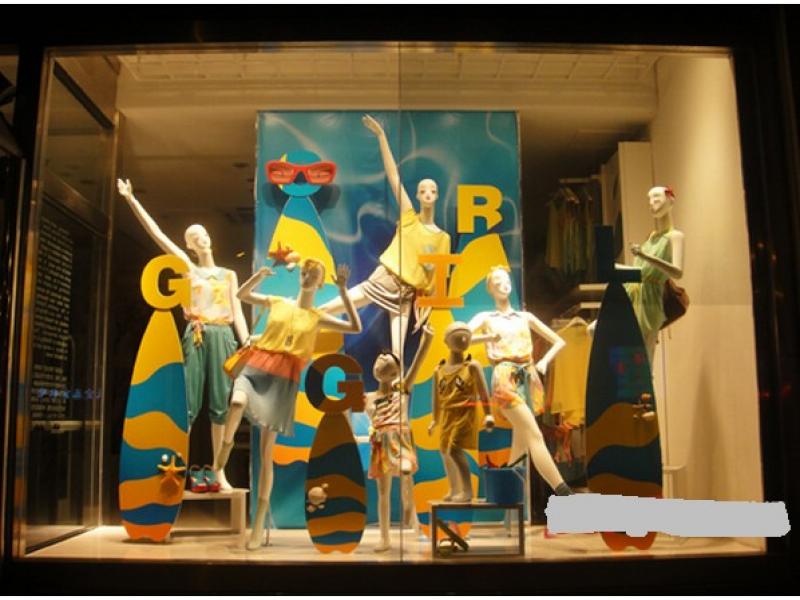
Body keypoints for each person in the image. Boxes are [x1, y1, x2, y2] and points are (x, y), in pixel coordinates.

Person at [213, 259, 362, 550]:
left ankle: (259, 523)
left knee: (267, 452)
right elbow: (242, 295)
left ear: (320, 283)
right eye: (304, 272)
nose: (306, 276)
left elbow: (354, 326)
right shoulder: (278, 302)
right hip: (258, 364)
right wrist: (258, 276)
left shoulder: (317, 316)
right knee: (237, 401)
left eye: (312, 274)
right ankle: (225, 448)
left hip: (284, 379)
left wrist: (344, 291)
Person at [117, 178, 248, 491]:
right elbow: (157, 235)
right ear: (189, 245)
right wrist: (132, 200)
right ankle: (177, 468)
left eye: (203, 234)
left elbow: (238, 311)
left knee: (220, 405)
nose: (201, 239)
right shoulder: (188, 269)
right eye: (194, 237)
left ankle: (218, 471)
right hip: (197, 333)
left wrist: (247, 343)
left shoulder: (229, 275)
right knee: (187, 403)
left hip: (223, 335)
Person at [320, 114, 450, 365]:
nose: (427, 194)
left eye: (432, 191)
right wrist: (381, 136)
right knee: (326, 309)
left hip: (406, 294)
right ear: (417, 195)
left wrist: (426, 309)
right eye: (423, 190)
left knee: (397, 357)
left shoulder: (442, 238)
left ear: (437, 195)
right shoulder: (409, 218)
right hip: (384, 279)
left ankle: (394, 391)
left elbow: (436, 282)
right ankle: (295, 328)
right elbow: (394, 178)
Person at [468, 266, 573, 497]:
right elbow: (460, 337)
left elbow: (559, 341)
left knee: (521, 442)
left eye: (506, 279)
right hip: (505, 378)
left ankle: (509, 500)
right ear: (490, 289)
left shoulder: (525, 317)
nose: (503, 284)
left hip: (529, 376)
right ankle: (563, 491)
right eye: (497, 281)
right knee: (534, 435)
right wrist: (488, 337)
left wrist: (544, 361)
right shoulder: (486, 318)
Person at [365, 325, 433, 552]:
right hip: (380, 442)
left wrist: (426, 340)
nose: (382, 359)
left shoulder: (402, 390)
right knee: (383, 492)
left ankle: (411, 514)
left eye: (387, 360)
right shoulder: (369, 397)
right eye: (380, 359)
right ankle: (385, 537)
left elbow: (417, 364)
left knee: (405, 470)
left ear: (395, 372)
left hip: (399, 438)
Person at [428, 322, 494, 503]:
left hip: (465, 413)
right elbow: (436, 397)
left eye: (466, 335)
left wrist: (489, 413)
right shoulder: (439, 370)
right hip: (447, 415)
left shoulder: (472, 366)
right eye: (456, 335)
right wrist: (435, 419)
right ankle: (454, 488)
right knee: (444, 451)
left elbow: (483, 392)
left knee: (454, 449)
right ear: (446, 341)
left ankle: (467, 490)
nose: (462, 338)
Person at [622, 186, 685, 363]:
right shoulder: (651, 237)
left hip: (649, 301)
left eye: (656, 198)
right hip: (633, 294)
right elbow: (639, 271)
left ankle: (643, 380)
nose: (651, 203)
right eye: (649, 200)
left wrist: (645, 256)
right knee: (595, 330)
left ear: (670, 200)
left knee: (643, 360)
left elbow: (677, 272)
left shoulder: (675, 236)